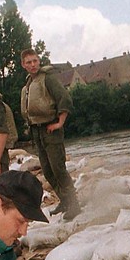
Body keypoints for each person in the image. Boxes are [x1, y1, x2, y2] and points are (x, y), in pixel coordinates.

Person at [19, 49, 81, 219]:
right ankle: (65, 200)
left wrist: (60, 122)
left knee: (58, 168)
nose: (32, 65)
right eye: (29, 62)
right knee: (47, 171)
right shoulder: (28, 85)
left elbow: (64, 98)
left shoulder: (48, 78)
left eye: (35, 61)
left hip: (51, 129)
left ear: (39, 61)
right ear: (23, 65)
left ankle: (74, 203)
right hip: (37, 131)